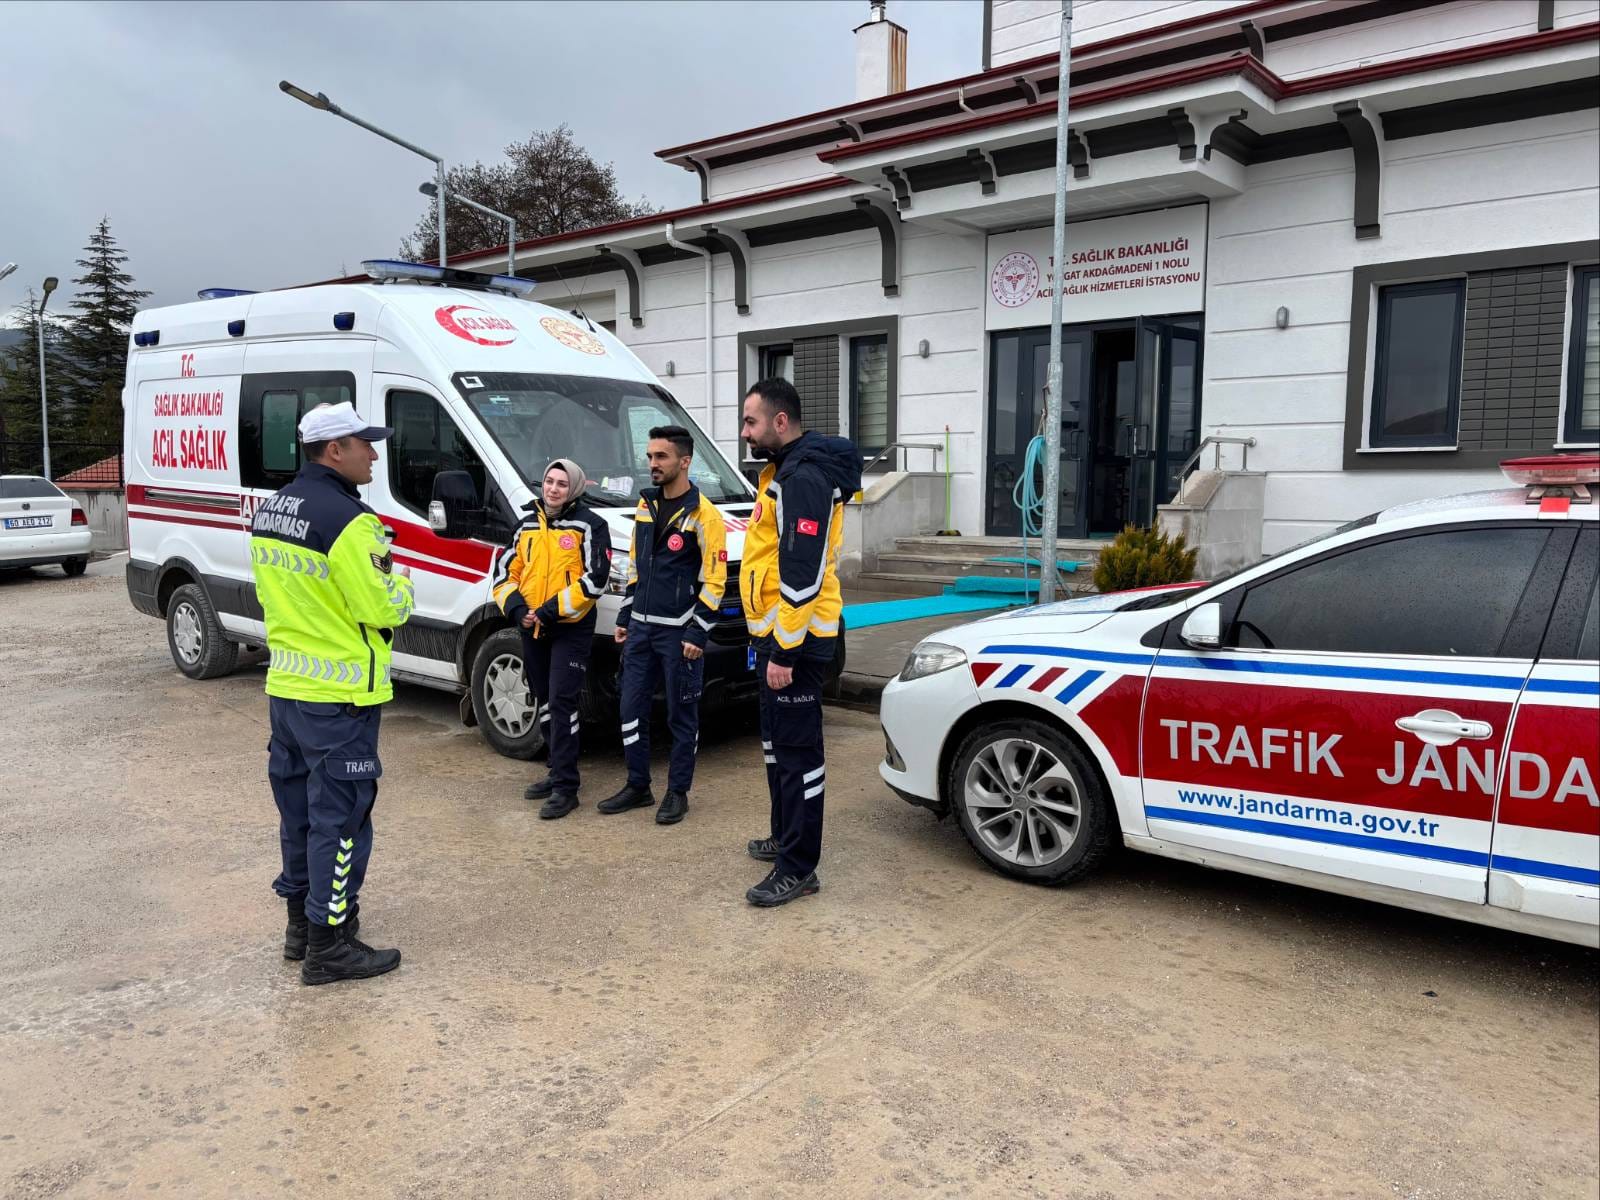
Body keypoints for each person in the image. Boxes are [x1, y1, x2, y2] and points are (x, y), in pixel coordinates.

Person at [251, 401, 415, 985]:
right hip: (340, 696)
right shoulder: (351, 521)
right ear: (334, 450)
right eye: (364, 443)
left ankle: (300, 928)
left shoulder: (273, 508)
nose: (373, 454)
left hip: (288, 689)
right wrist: (402, 584)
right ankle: (329, 945)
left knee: (298, 815)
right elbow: (381, 607)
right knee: (342, 821)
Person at [738, 379, 862, 907]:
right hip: (775, 636)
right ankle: (783, 837)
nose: (745, 432)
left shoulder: (804, 477)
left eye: (751, 421)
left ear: (780, 422)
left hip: (798, 642)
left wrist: (784, 651)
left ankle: (798, 868)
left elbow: (802, 573)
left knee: (798, 757)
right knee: (777, 750)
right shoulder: (781, 471)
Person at [604, 426, 727, 825]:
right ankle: (638, 785)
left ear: (684, 461)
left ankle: (678, 792)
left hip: (679, 635)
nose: (652, 464)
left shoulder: (705, 515)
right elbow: (636, 567)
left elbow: (715, 581)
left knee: (681, 716)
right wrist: (625, 616)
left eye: (661, 457)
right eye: (650, 456)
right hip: (640, 631)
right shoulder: (646, 505)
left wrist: (698, 631)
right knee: (630, 709)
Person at [490, 458, 611, 818]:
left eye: (562, 483)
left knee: (561, 701)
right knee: (543, 699)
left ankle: (566, 787)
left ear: (574, 488)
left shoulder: (591, 525)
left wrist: (548, 610)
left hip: (570, 627)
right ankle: (556, 770)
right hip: (531, 625)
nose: (553, 489)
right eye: (549, 481)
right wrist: (517, 609)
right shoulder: (525, 525)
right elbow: (503, 573)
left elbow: (596, 579)